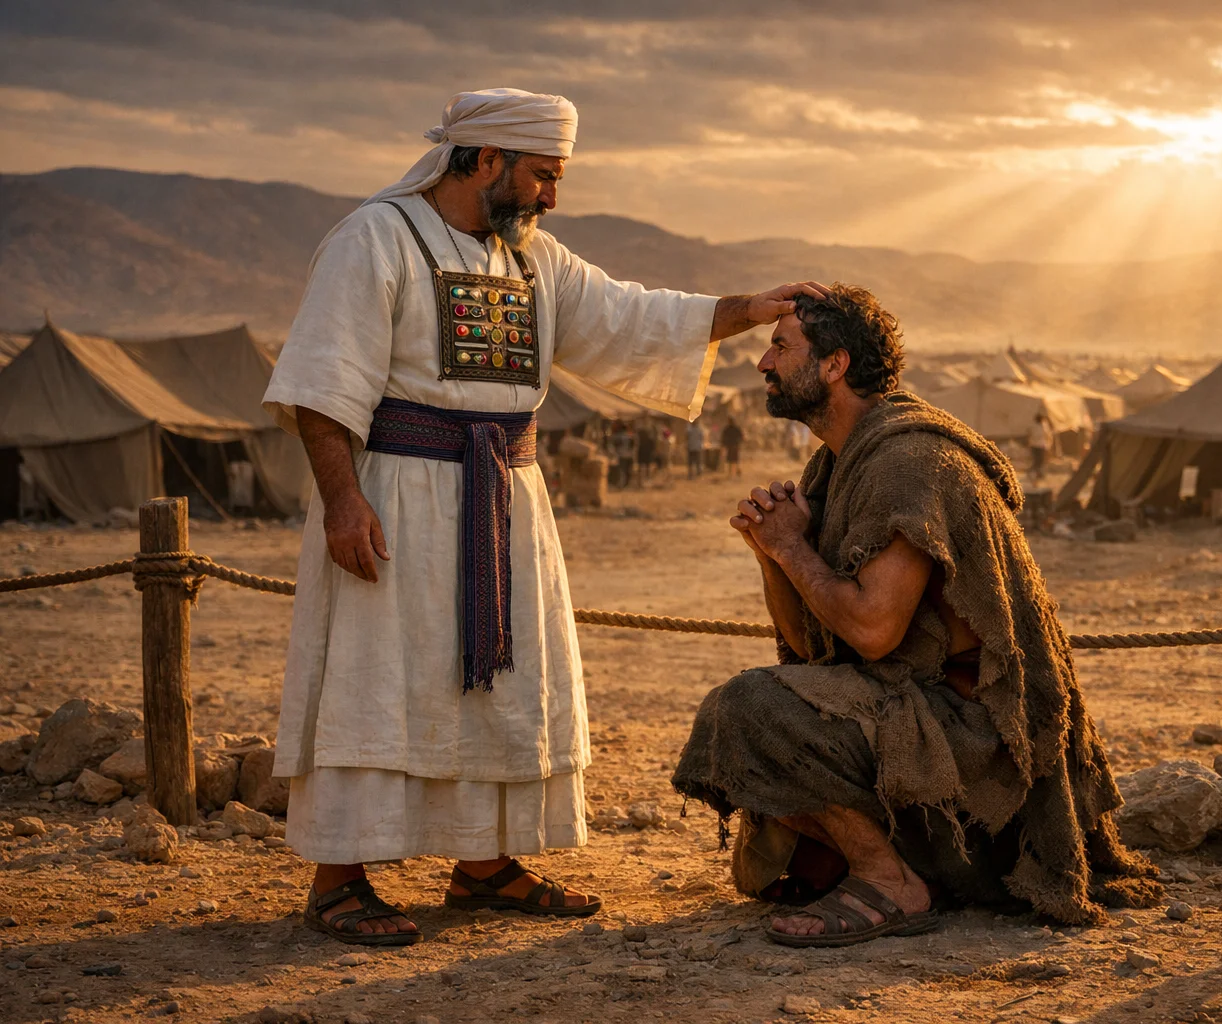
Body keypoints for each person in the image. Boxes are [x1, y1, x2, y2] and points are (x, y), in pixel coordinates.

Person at [262, 86, 827, 947]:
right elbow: (322, 382)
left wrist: (744, 310)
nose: (553, 197)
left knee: (502, 682)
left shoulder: (534, 262)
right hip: (400, 499)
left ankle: (485, 865)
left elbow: (632, 316)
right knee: (379, 676)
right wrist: (344, 502)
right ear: (484, 159)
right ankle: (339, 877)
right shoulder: (375, 238)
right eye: (542, 175)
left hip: (505, 503)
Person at [672, 285, 1157, 948]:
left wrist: (792, 549)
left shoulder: (909, 463)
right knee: (764, 817)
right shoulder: (840, 463)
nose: (763, 362)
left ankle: (891, 880)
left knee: (748, 707)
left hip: (977, 763)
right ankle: (892, 861)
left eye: (780, 347)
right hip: (917, 721)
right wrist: (772, 553)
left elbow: (872, 632)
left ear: (835, 364)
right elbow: (812, 650)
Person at [1025, 411, 1053, 485]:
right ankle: (1034, 473)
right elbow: (1048, 436)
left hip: (1039, 445)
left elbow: (1047, 436)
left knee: (1040, 461)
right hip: (1038, 446)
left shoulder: (1042, 425)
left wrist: (1048, 445)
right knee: (1038, 461)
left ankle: (1037, 474)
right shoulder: (1038, 426)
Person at [611, 422, 636, 489]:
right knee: (627, 471)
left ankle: (622, 484)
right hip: (629, 455)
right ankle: (626, 484)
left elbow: (615, 446)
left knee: (622, 471)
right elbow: (633, 446)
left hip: (622, 455)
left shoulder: (617, 436)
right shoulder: (631, 436)